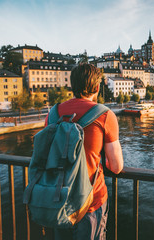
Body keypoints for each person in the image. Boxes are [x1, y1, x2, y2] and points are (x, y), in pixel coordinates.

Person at [49, 63, 124, 240]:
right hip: (90, 203)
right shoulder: (104, 115)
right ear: (97, 87)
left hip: (57, 199)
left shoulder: (53, 113)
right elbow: (116, 167)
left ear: (72, 85)